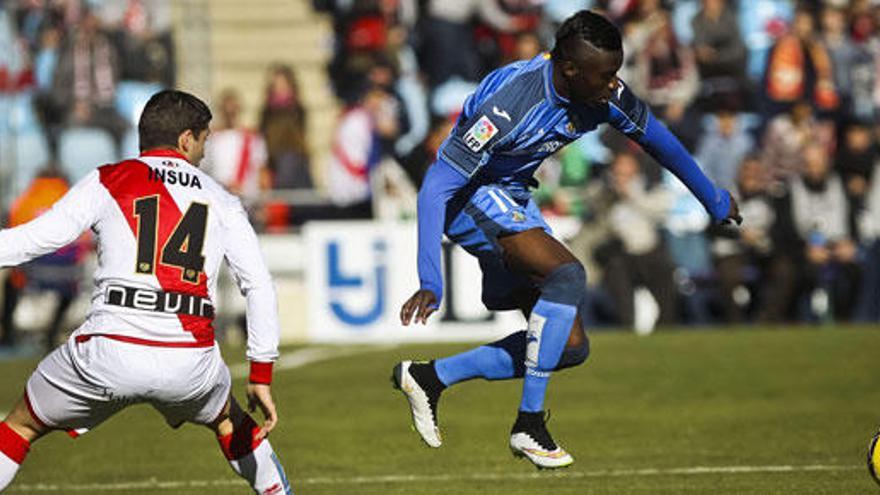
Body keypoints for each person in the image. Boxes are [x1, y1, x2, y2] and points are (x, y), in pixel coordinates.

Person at [391, 10, 740, 470]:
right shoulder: (511, 101)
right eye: (605, 74)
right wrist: (430, 279)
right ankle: (529, 424)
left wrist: (712, 197)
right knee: (567, 274)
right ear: (569, 69)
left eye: (616, 72)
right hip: (472, 195)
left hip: (514, 197)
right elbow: (437, 184)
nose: (614, 84)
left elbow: (661, 142)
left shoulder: (602, 93)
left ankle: (430, 377)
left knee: (570, 348)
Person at [0, 90, 292, 494]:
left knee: (20, 425)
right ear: (186, 140)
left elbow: (35, 239)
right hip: (189, 361)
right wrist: (261, 370)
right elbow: (258, 284)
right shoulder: (221, 199)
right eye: (204, 141)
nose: (204, 153)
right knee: (231, 423)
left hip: (108, 351)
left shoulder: (108, 178)